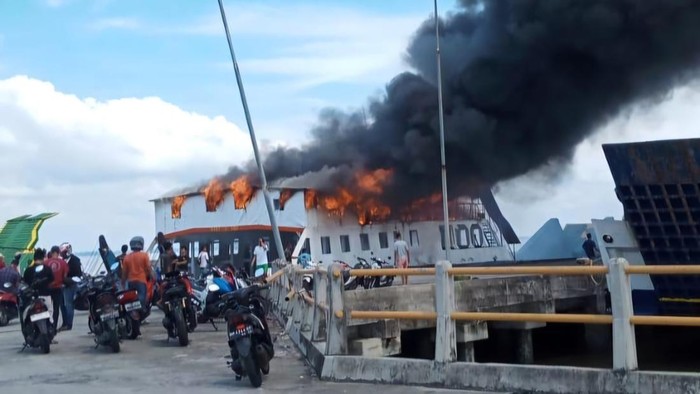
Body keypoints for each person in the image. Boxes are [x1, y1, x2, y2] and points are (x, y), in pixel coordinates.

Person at [121, 236, 152, 334]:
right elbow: (148, 269)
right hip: (141, 281)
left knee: (131, 303)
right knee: (142, 302)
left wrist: (123, 283)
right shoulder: (144, 255)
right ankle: (141, 315)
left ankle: (135, 323)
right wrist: (149, 276)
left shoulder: (127, 257)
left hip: (131, 283)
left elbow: (124, 273)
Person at [59, 242, 81, 331]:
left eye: (63, 253)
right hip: (64, 285)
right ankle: (65, 323)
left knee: (68, 305)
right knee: (64, 305)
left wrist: (68, 280)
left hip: (71, 285)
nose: (62, 255)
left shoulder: (75, 260)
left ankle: (68, 324)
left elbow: (78, 274)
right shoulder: (63, 261)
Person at [45, 246, 68, 330]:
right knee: (56, 309)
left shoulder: (46, 263)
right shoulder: (63, 263)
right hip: (58, 288)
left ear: (51, 252)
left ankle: (47, 326)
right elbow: (65, 277)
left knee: (47, 308)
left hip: (47, 289)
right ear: (58, 253)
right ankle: (54, 328)